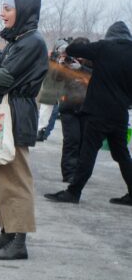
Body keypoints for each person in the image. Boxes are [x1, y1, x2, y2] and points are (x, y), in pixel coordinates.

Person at [0, 0, 47, 261]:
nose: (2, 13)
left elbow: (3, 77)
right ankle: (7, 231)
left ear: (24, 11)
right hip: (3, 110)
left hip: (16, 112)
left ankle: (19, 240)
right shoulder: (17, 40)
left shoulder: (32, 42)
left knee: (16, 178)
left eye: (7, 8)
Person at [45, 21, 132, 206]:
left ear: (110, 35)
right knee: (122, 154)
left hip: (98, 112)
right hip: (120, 114)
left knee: (88, 152)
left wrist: (66, 47)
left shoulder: (104, 47)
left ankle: (73, 192)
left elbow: (76, 48)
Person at [54, 39, 91, 182]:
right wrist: (61, 65)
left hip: (87, 108)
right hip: (68, 106)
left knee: (83, 142)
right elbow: (56, 78)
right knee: (72, 140)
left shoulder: (93, 62)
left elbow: (98, 77)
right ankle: (69, 174)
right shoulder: (68, 61)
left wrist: (80, 68)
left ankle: (80, 173)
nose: (79, 57)